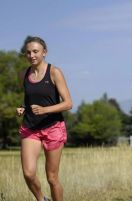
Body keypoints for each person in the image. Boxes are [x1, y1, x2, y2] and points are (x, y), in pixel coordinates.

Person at [16, 36, 72, 201]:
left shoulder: (54, 72)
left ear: (44, 53)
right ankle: (42, 199)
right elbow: (29, 99)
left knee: (52, 178)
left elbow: (68, 103)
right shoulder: (23, 74)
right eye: (28, 52)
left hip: (53, 127)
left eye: (35, 51)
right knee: (28, 173)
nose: (31, 55)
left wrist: (45, 110)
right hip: (30, 127)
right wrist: (22, 108)